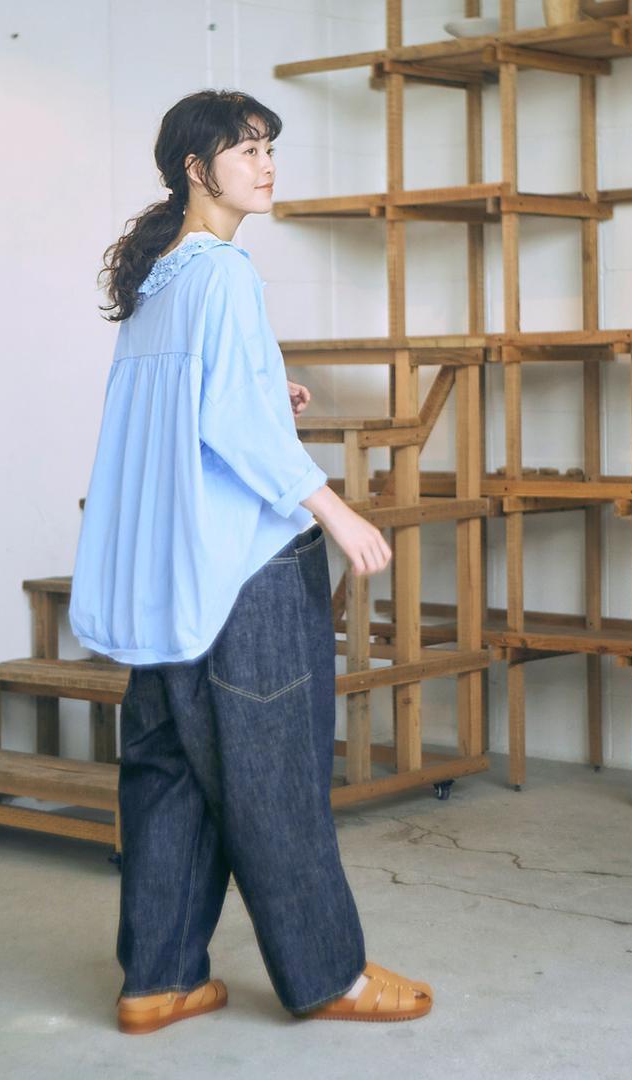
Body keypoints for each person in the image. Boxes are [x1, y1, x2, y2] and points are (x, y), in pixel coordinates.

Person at [68, 88, 433, 1033]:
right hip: (246, 568)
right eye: (245, 150)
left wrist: (273, 386)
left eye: (270, 147)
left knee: (167, 775)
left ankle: (157, 979)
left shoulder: (161, 279)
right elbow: (227, 417)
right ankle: (329, 976)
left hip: (171, 573)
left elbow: (194, 399)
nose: (266, 165)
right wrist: (334, 509)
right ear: (197, 170)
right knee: (275, 779)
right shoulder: (226, 274)